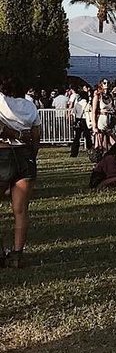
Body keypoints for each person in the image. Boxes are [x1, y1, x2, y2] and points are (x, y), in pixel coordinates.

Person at [0, 75, 41, 268]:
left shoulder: (1, 101)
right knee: (21, 210)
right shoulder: (30, 107)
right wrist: (32, 156)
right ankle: (17, 254)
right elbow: (36, 137)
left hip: (3, 153)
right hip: (25, 156)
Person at [69, 87, 93, 157]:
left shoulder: (77, 104)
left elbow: (73, 113)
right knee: (87, 137)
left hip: (78, 120)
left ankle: (74, 153)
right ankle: (90, 151)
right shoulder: (87, 104)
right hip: (85, 120)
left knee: (77, 137)